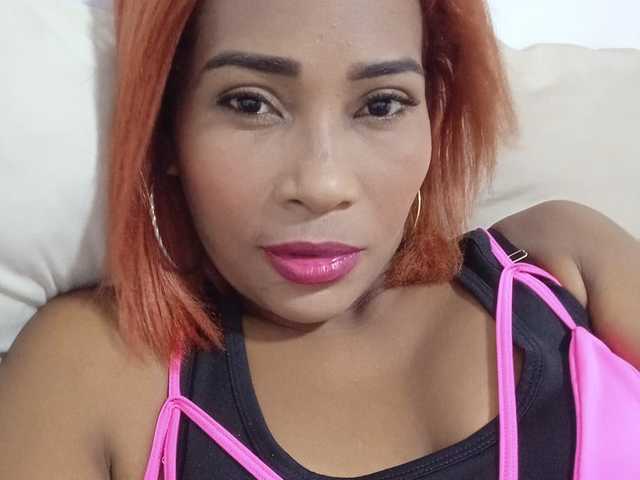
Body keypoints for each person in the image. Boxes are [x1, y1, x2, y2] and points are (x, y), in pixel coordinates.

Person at [0, 0, 638, 478]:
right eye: (250, 104)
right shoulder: (90, 370)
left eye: (381, 105)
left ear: (435, 114)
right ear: (168, 129)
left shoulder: (561, 261)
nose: (323, 183)